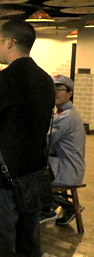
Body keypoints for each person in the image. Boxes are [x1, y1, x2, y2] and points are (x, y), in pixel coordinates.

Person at [0, 19, 55, 257]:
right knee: (28, 241)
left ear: (9, 42)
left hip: (3, 174)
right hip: (34, 174)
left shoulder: (4, 79)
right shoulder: (46, 79)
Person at [39, 75, 86, 226]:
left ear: (70, 93)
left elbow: (46, 141)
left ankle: (48, 209)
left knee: (27, 177)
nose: (55, 93)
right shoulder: (65, 113)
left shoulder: (67, 116)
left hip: (66, 171)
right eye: (53, 89)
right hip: (70, 168)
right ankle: (69, 207)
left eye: (59, 89)